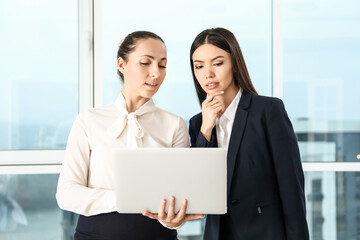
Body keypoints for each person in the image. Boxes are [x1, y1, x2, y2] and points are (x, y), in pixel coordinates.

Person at [56, 31, 202, 240]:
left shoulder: (174, 125)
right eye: (145, 62)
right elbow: (67, 194)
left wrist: (174, 219)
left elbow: (177, 197)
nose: (156, 73)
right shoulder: (89, 121)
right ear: (121, 64)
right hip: (95, 234)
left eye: (162, 65)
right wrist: (124, 199)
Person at [188, 27, 309, 240]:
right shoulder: (198, 124)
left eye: (217, 63)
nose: (208, 74)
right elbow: (198, 188)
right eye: (199, 66)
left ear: (234, 64)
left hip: (266, 232)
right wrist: (206, 128)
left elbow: (291, 187)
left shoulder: (268, 110)